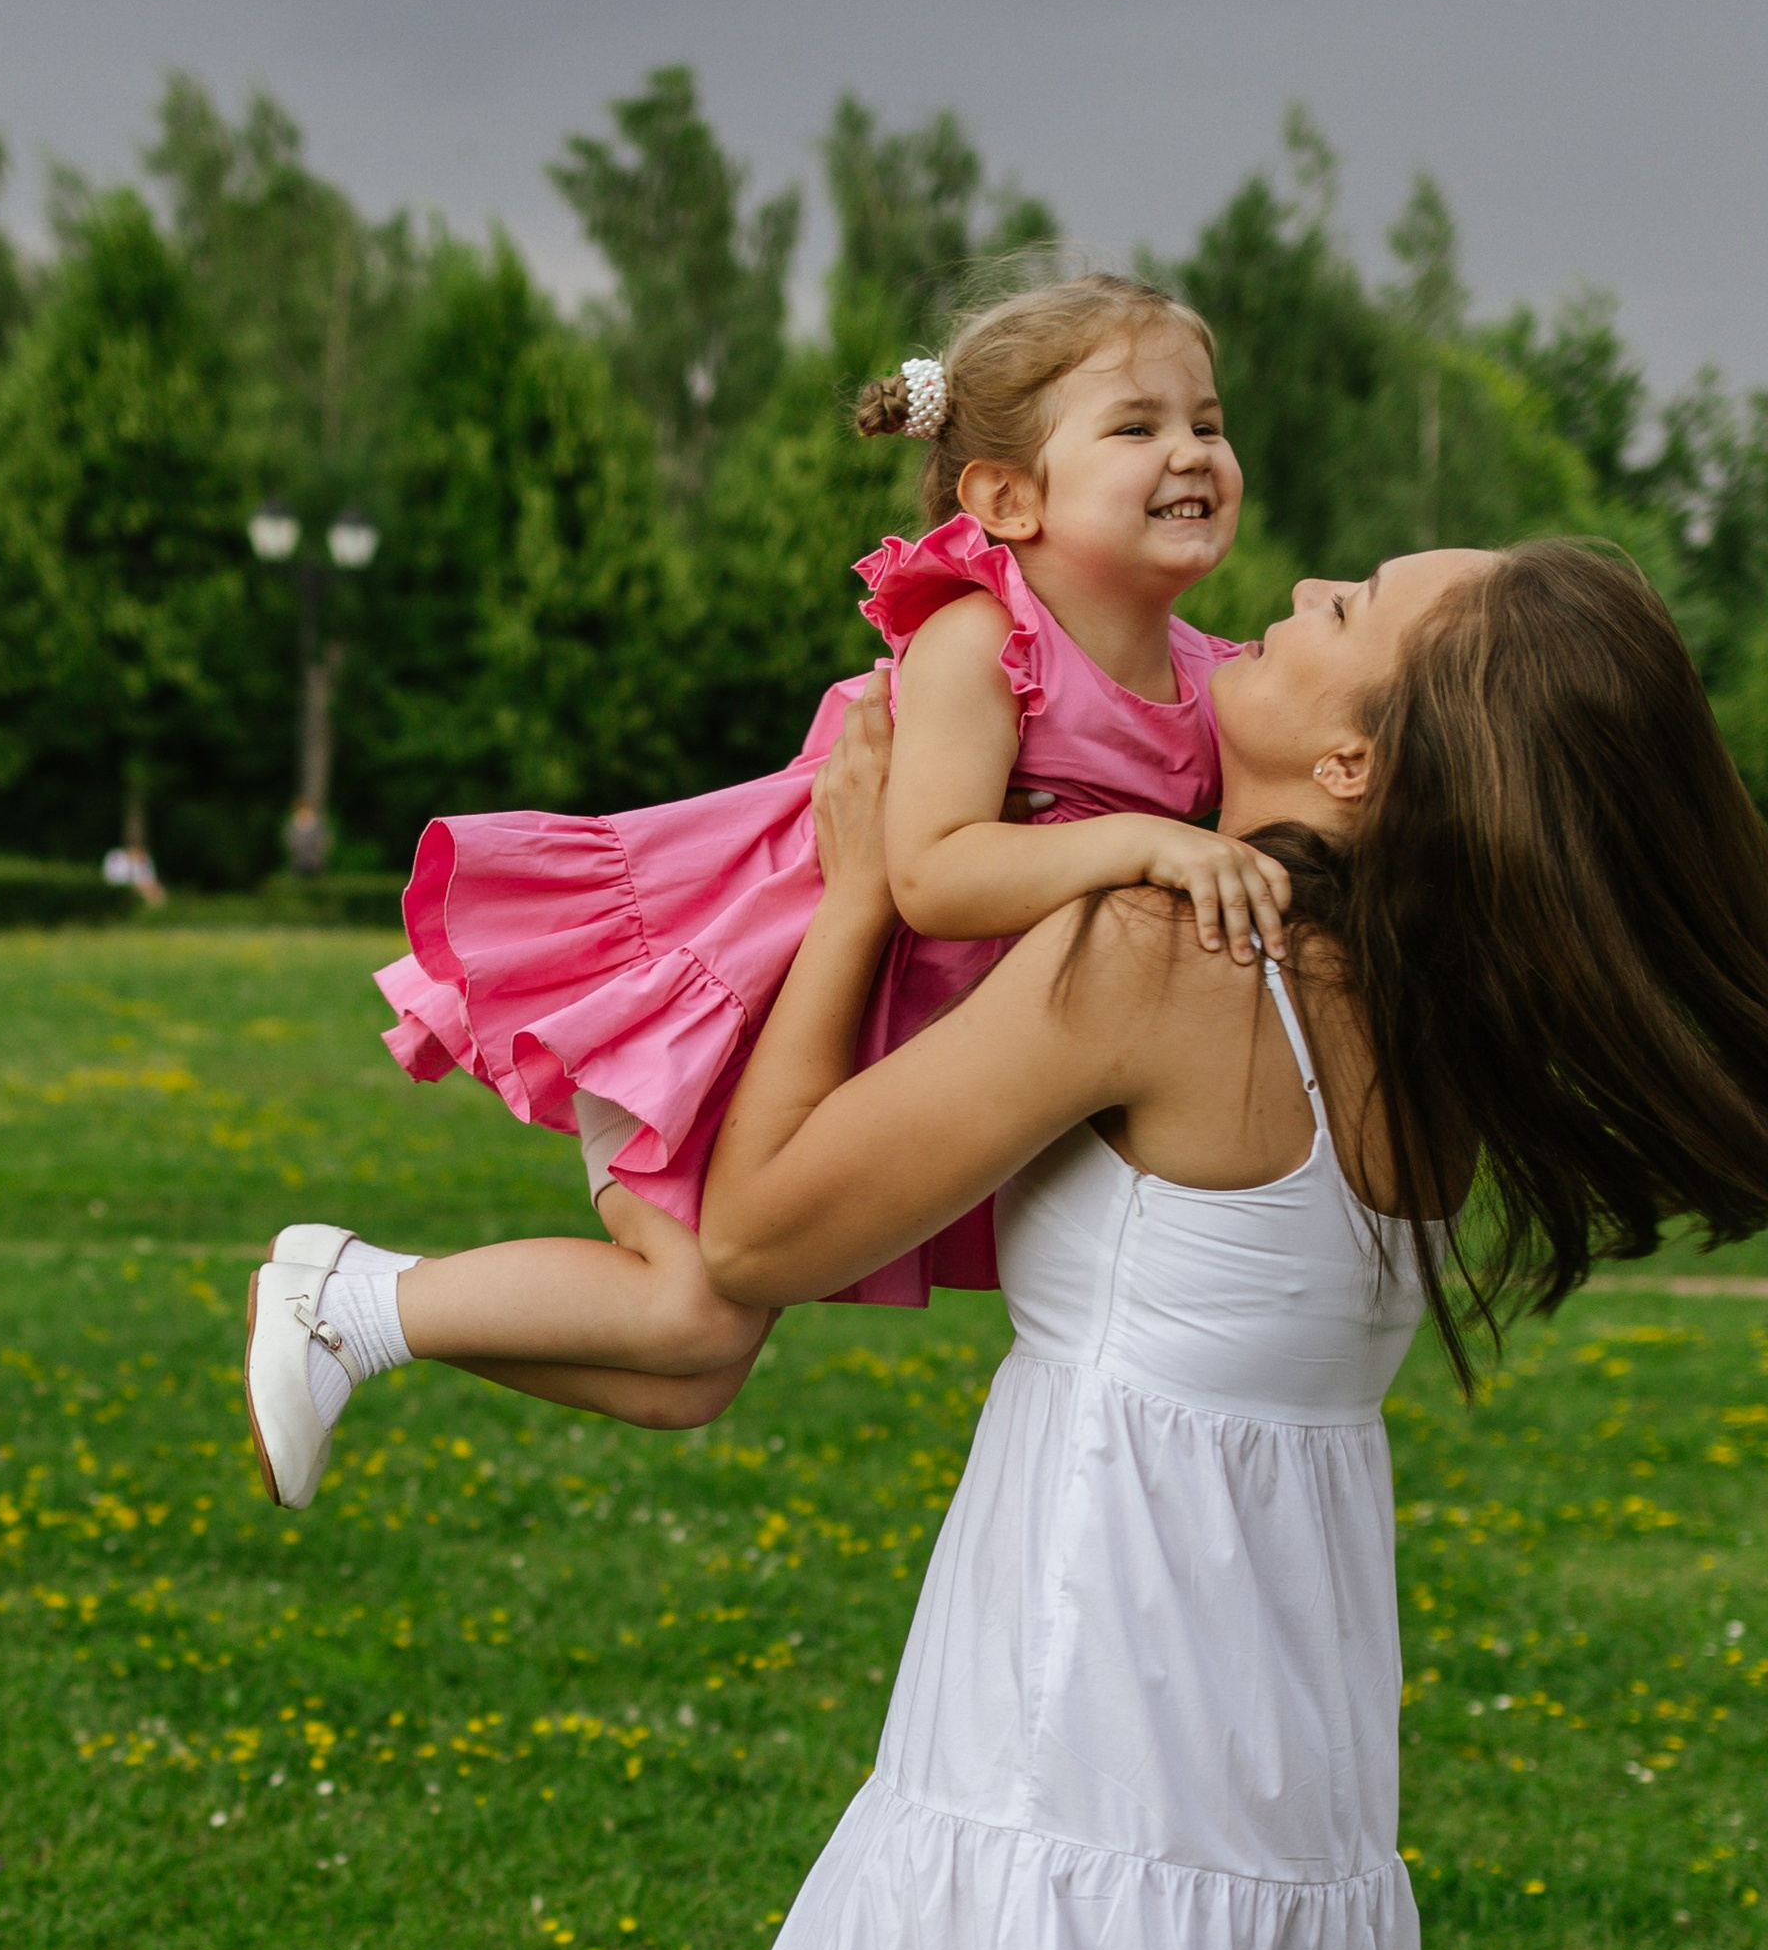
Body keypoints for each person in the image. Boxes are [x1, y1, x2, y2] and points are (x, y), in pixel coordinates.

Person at [673, 540, 1768, 1950]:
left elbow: (759, 1237)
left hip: (1088, 1686)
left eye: (1350, 611)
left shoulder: (1163, 952)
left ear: (1354, 763)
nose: (1306, 584)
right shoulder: (1435, 1010)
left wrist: (857, 903)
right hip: (1284, 1737)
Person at [248, 274, 1299, 1508]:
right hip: (737, 994)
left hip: (835, 1025)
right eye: (1138, 427)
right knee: (684, 1318)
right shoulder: (985, 637)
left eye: (1207, 423)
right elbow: (935, 870)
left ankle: (363, 1310)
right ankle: (341, 1298)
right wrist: (1144, 847)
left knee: (690, 1364)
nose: (1190, 452)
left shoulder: (1207, 675)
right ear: (1007, 498)